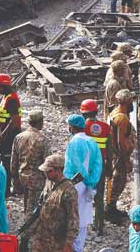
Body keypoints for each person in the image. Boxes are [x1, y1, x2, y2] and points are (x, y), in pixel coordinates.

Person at [26, 153, 80, 252]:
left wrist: (68, 244)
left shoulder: (68, 191)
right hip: (41, 236)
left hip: (57, 241)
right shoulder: (49, 182)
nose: (46, 173)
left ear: (59, 170)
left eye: (49, 171)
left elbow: (73, 220)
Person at [64, 114, 102, 252]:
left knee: (72, 216)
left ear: (72, 127)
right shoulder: (92, 141)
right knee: (84, 217)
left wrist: (85, 179)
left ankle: (71, 247)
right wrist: (92, 183)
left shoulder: (74, 142)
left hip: (75, 184)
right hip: (88, 186)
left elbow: (76, 164)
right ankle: (78, 247)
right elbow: (98, 165)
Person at [81, 99, 112, 234]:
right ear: (96, 112)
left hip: (86, 167)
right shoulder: (105, 127)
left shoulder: (81, 127)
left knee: (82, 195)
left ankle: (82, 223)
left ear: (83, 114)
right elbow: (110, 150)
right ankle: (99, 226)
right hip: (101, 166)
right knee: (99, 196)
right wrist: (109, 166)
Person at [106, 89, 137, 223]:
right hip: (119, 157)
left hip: (115, 154)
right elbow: (121, 142)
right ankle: (110, 209)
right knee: (119, 182)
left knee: (116, 181)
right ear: (126, 102)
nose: (132, 103)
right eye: (131, 100)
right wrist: (126, 161)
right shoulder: (122, 118)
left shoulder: (115, 113)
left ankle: (111, 207)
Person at [11, 110, 50, 215]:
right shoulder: (43, 140)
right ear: (40, 122)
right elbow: (48, 164)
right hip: (37, 180)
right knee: (35, 210)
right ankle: (29, 228)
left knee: (26, 204)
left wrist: (15, 180)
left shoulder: (19, 137)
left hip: (22, 177)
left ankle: (26, 224)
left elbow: (13, 161)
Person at [0, 73, 21, 196]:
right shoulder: (7, 97)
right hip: (6, 134)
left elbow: (14, 120)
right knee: (5, 161)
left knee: (7, 161)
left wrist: (3, 134)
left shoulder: (11, 99)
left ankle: (7, 190)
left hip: (10, 136)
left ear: (3, 86)